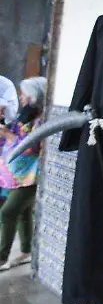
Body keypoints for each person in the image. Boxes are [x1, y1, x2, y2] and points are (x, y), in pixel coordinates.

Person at [0, 76, 47, 271]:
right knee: (23, 212)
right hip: (18, 176)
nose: (20, 97)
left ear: (34, 96)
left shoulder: (41, 120)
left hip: (31, 177)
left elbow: (32, 147)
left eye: (24, 94)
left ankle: (2, 257)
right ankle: (26, 251)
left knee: (8, 212)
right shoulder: (26, 116)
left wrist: (9, 135)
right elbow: (11, 135)